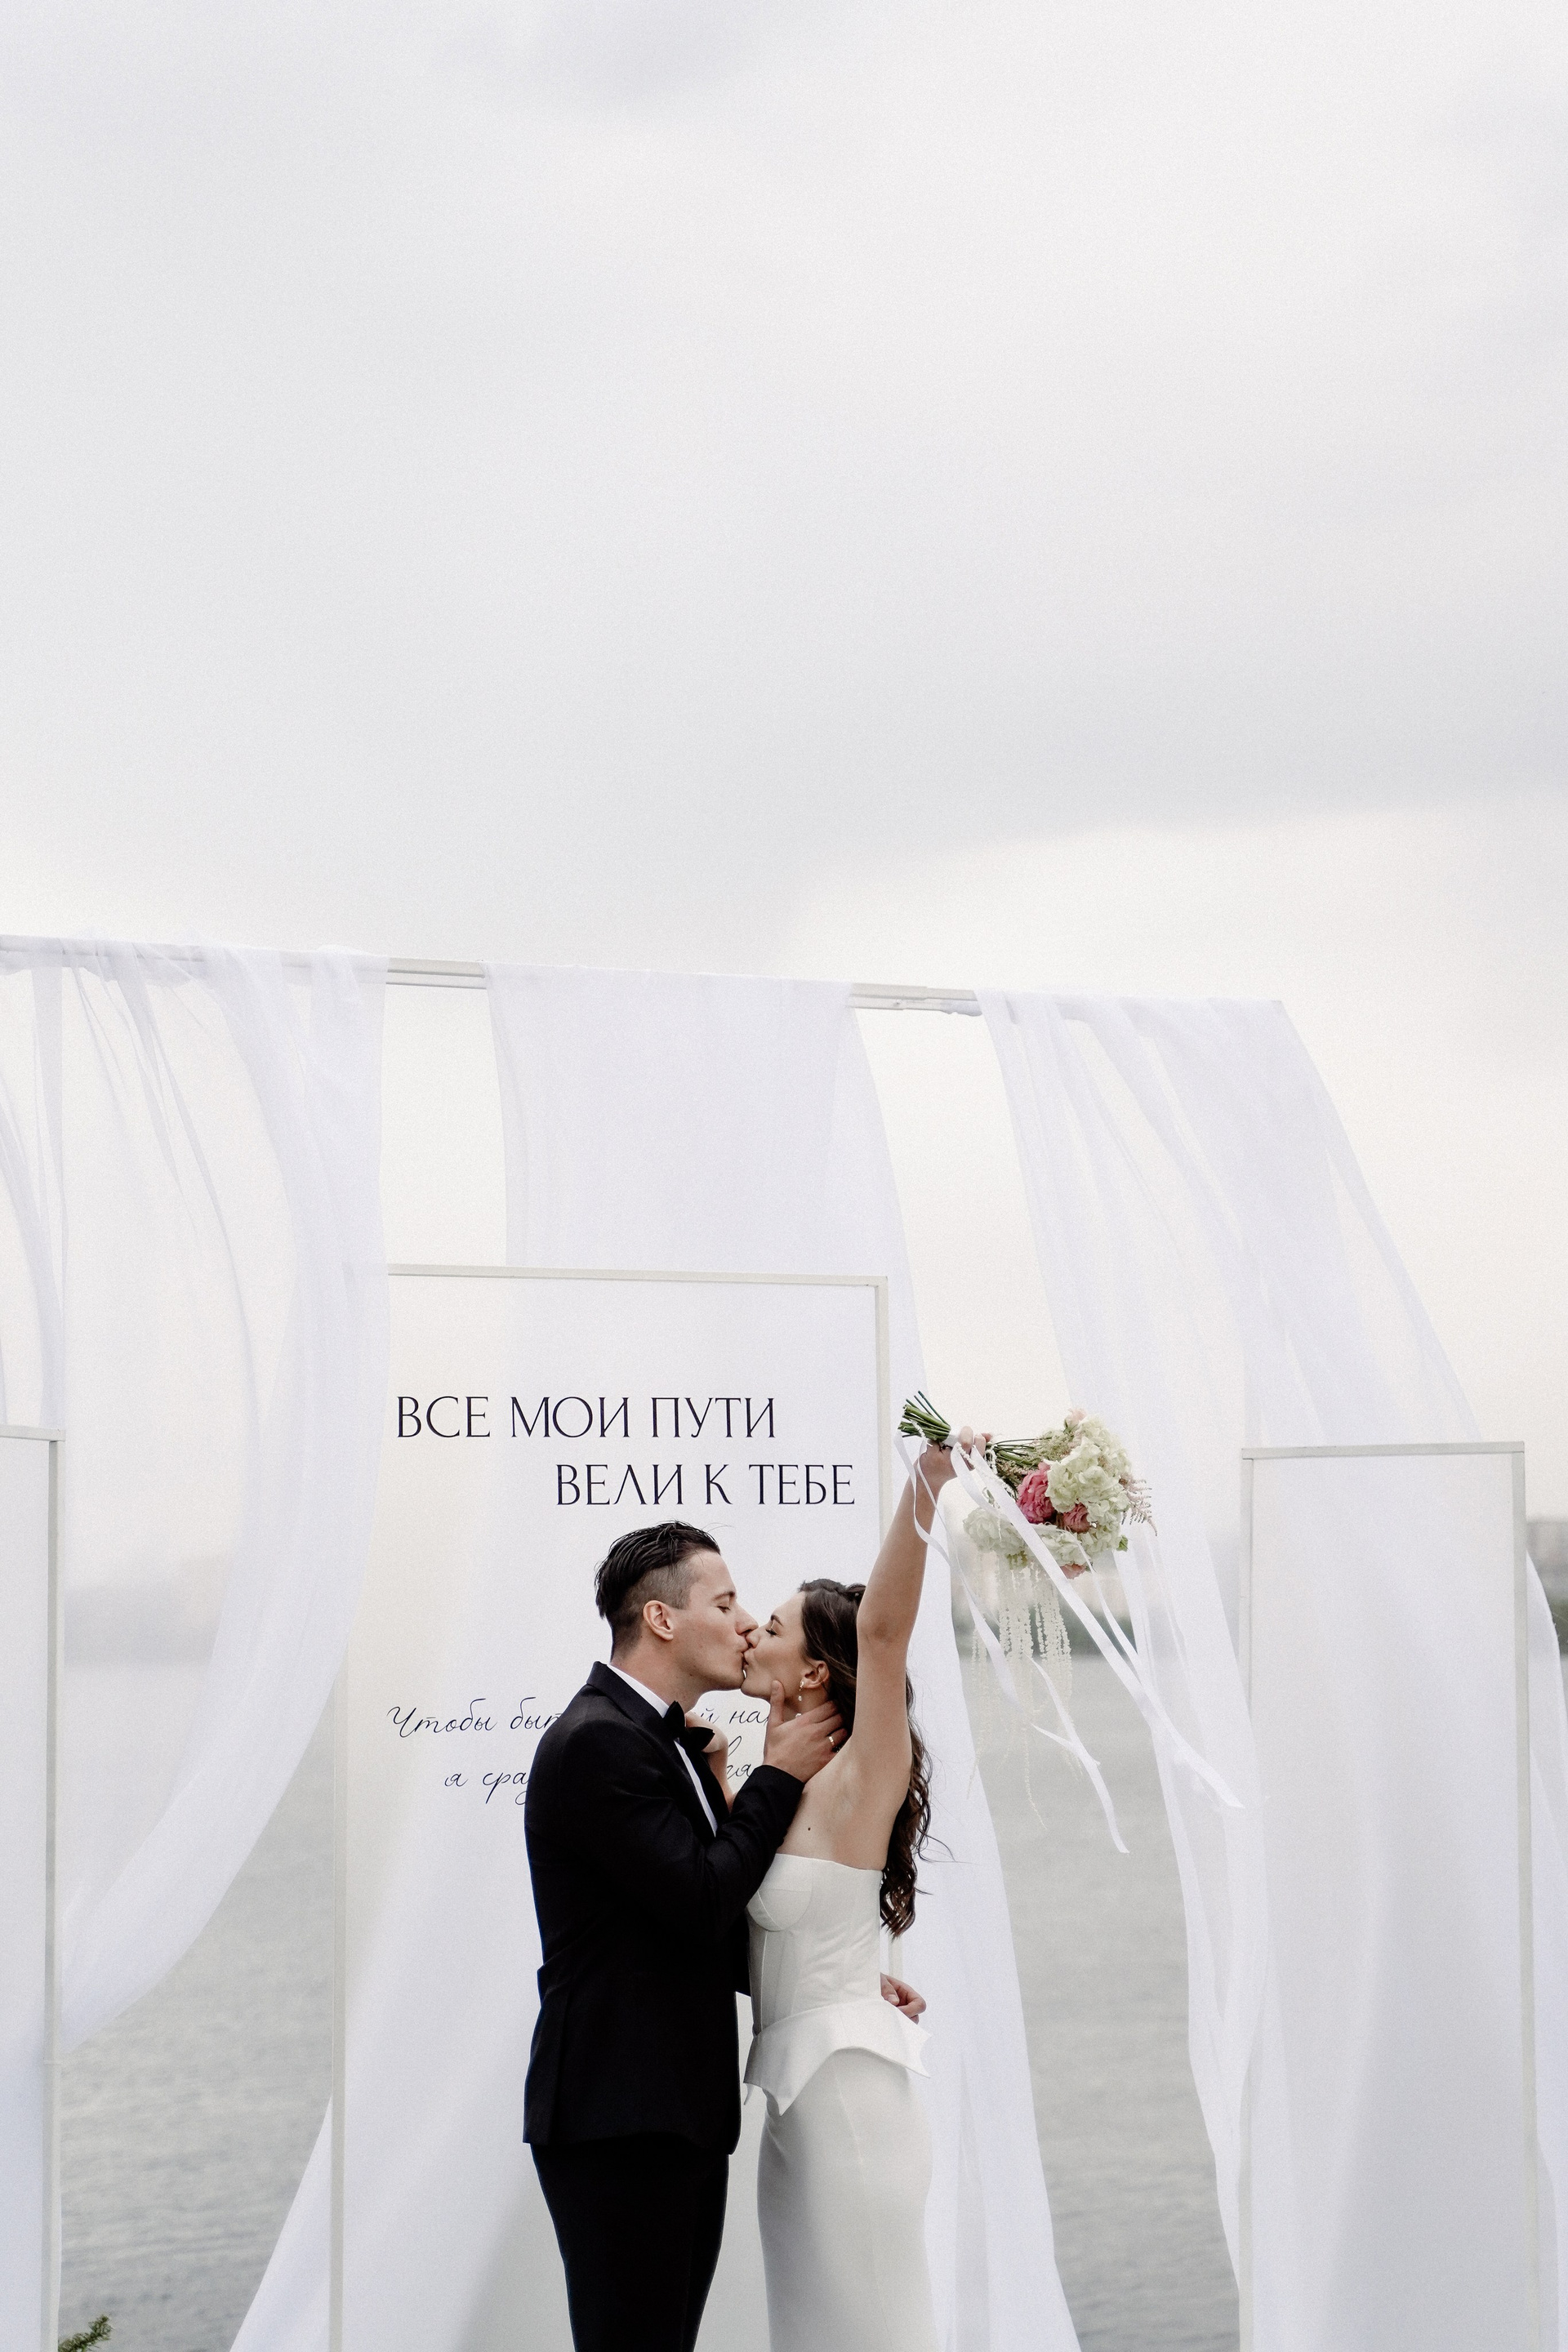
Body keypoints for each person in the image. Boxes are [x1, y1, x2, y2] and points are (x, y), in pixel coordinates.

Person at [523, 1520, 924, 2352]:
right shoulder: (601, 1741)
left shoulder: (676, 1745)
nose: (744, 1626)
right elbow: (704, 1898)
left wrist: (841, 1973)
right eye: (729, 1603)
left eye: (760, 1616)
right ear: (662, 1619)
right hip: (624, 2118)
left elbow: (714, 1918)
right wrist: (770, 1776)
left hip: (700, 2116)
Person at [737, 1431, 977, 2352]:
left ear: (811, 1671)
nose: (751, 1631)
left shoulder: (862, 1778)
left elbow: (880, 1632)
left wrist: (927, 1483)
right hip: (793, 2109)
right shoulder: (771, 1791)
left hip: (852, 2108)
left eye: (772, 1627)